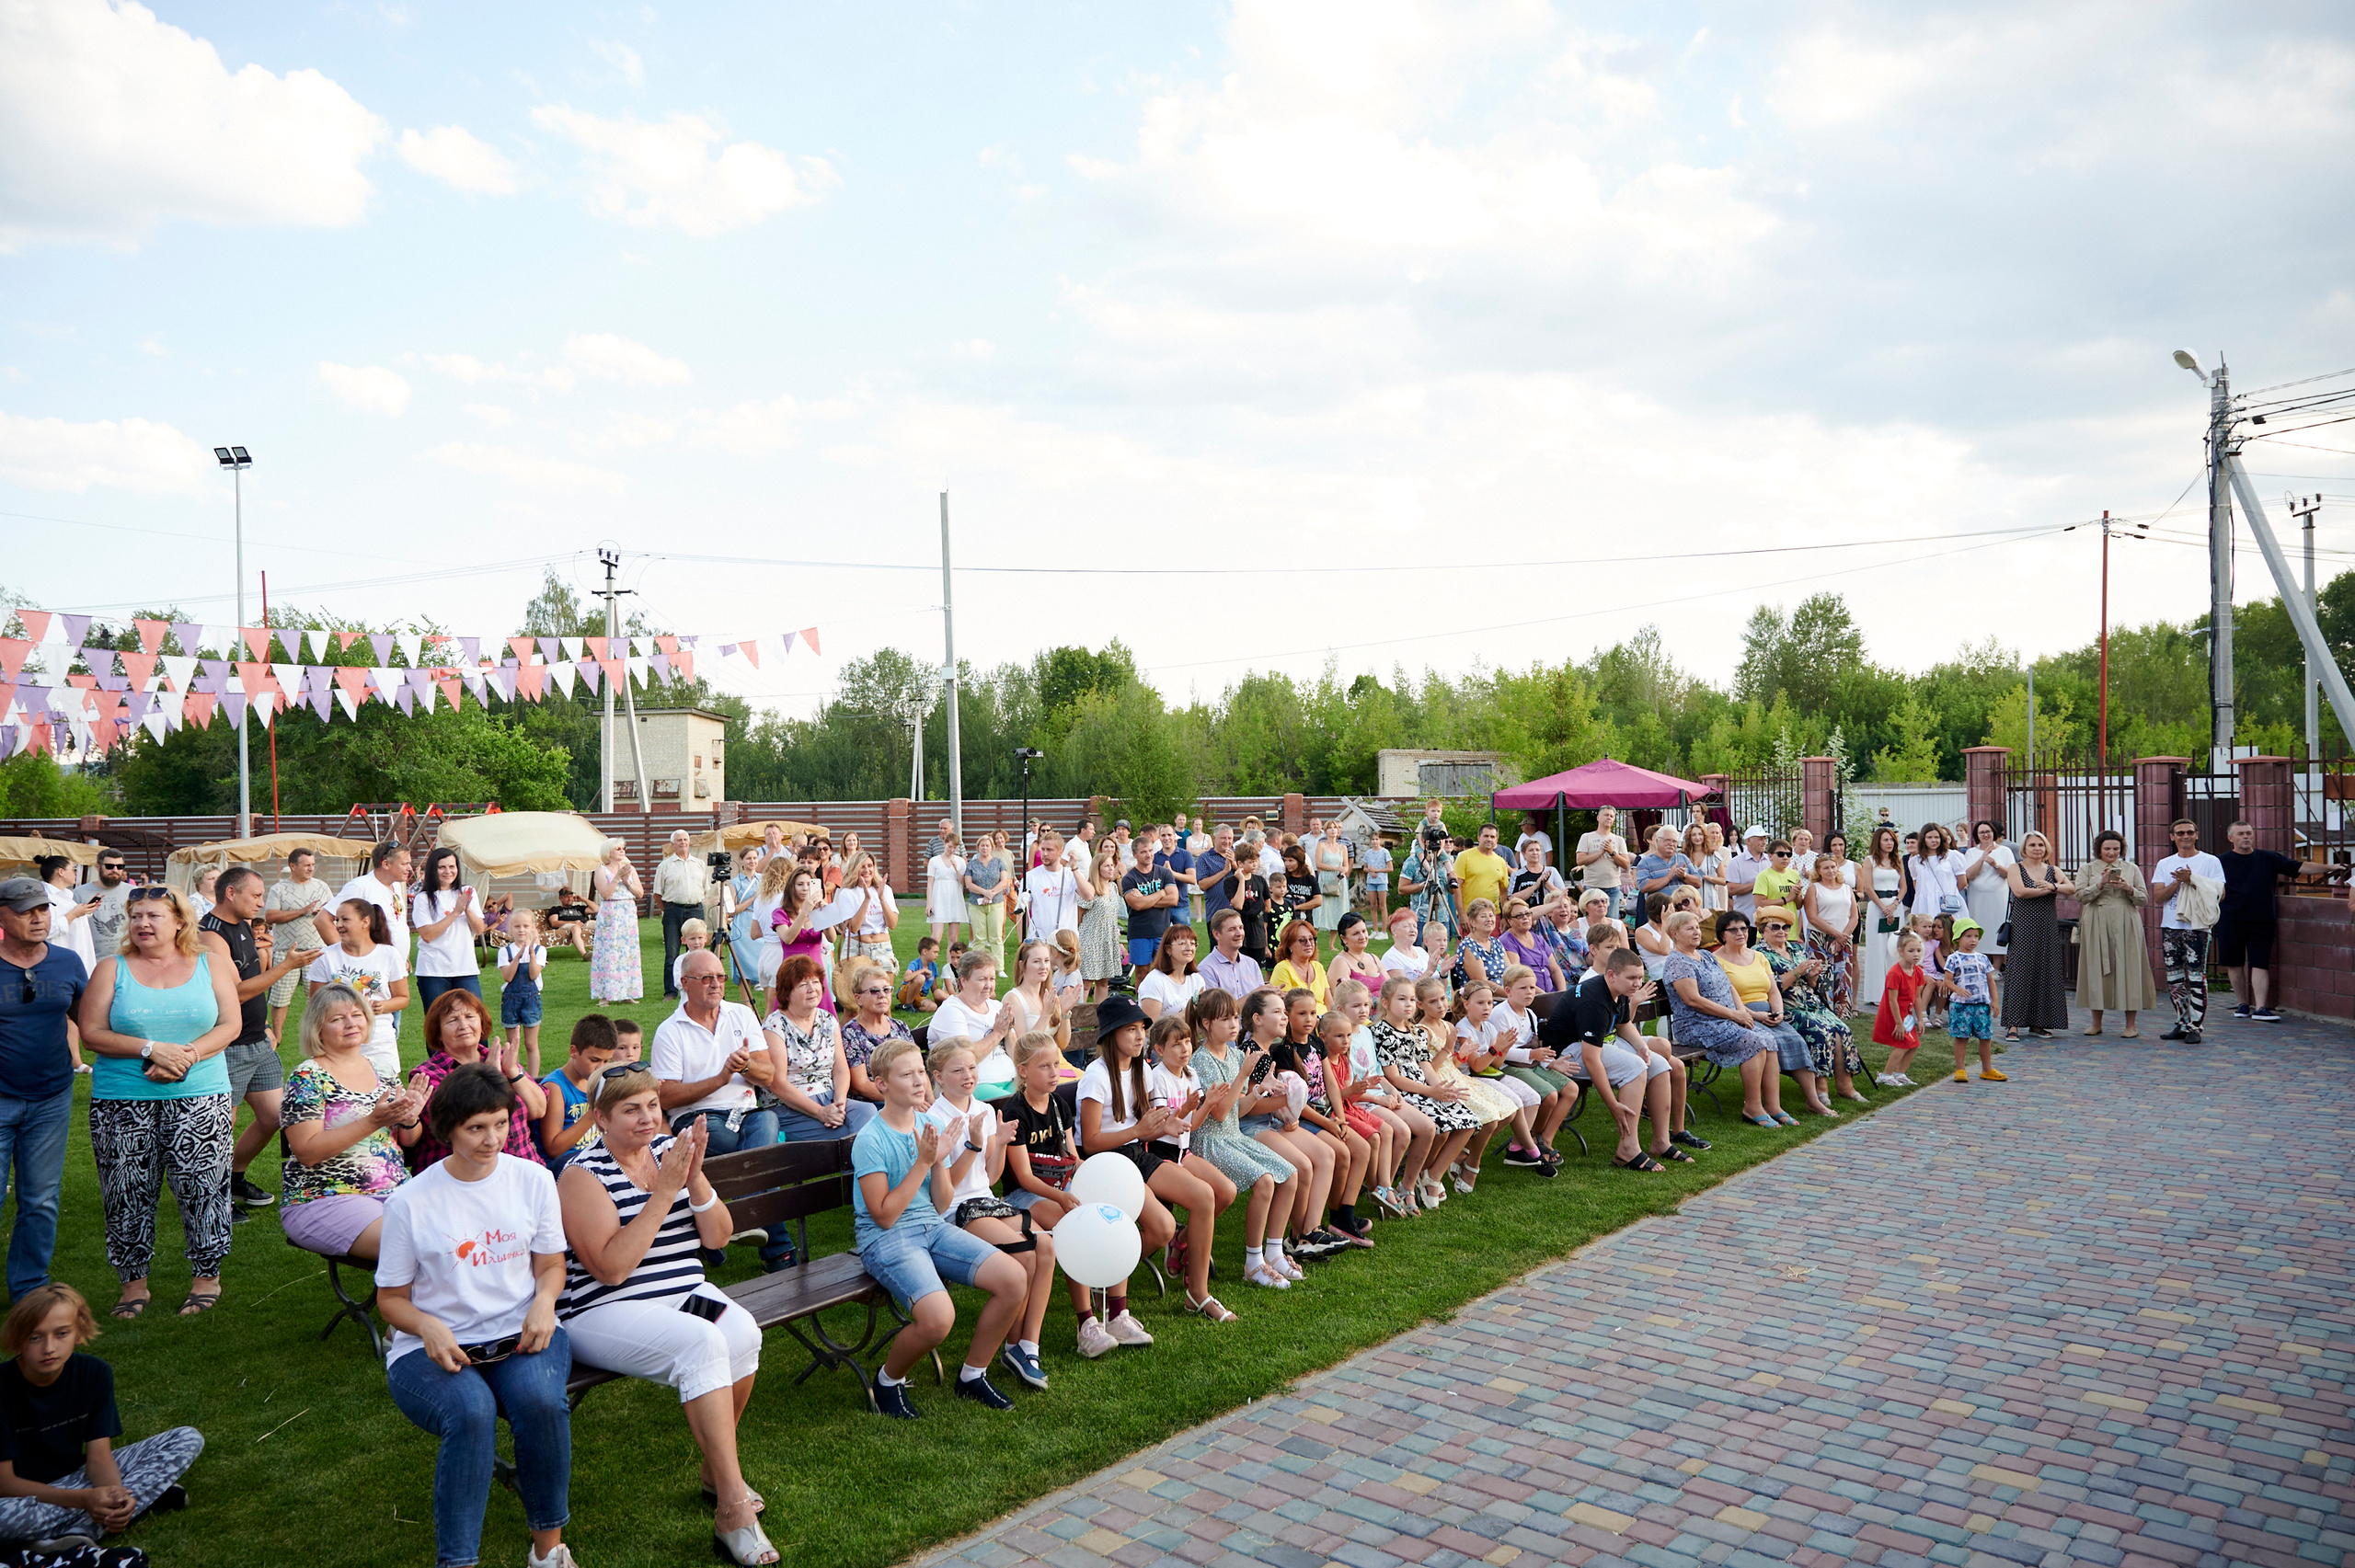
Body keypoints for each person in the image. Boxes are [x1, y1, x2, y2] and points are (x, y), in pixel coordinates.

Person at [557, 1069, 775, 1564]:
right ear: (601, 1118)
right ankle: (733, 1507)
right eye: (630, 1110)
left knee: (742, 1331)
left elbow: (718, 1236)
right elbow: (611, 1270)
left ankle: (714, 1470)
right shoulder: (581, 1175)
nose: (647, 1118)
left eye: (652, 1106)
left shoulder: (668, 1153)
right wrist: (664, 1192)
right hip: (605, 1310)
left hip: (681, 1294)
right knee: (703, 1344)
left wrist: (692, 1175)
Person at [376, 1062, 578, 1568]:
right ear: (447, 1130)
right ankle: (458, 1562)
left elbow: (551, 1265)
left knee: (541, 1402)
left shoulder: (533, 1179)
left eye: (501, 1123)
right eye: (476, 1128)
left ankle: (548, 1550)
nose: (493, 1139)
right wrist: (426, 1326)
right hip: (434, 1347)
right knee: (471, 1412)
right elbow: (391, 1298)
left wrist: (544, 1303)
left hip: (522, 1333)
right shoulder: (409, 1201)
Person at [74, 885, 240, 1319]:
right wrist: (151, 1050)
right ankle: (133, 1286)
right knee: (126, 1191)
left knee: (203, 1187)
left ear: (180, 922)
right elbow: (91, 1034)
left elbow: (230, 1024)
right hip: (122, 1101)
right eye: (136, 916)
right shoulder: (111, 968)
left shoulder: (210, 963)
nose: (142, 924)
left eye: (154, 916)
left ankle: (207, 1278)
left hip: (200, 1094)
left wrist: (185, 1056)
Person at [854, 1037, 1033, 1416]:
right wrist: (925, 1161)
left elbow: (940, 1203)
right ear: (881, 1084)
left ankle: (973, 1375)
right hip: (887, 1239)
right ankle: (887, 1382)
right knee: (938, 1319)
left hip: (932, 1226)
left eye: (920, 1072)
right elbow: (883, 1216)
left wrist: (939, 1162)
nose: (919, 1081)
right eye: (907, 1075)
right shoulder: (870, 1139)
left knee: (1014, 1278)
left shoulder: (928, 1123)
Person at [925, 1038, 1079, 1393]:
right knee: (1026, 1252)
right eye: (958, 1070)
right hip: (955, 1210)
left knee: (1046, 1246)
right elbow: (943, 1192)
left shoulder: (982, 1109)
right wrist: (973, 1144)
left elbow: (991, 1177)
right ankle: (1011, 1347)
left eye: (972, 1068)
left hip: (985, 1201)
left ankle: (1028, 1346)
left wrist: (1003, 1142)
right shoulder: (935, 1119)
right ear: (939, 1077)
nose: (968, 1075)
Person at [0, 1283, 204, 1546]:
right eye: (35, 1337)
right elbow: (5, 1483)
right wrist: (85, 1500)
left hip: (78, 1477)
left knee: (187, 1438)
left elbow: (99, 1458)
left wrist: (115, 1495)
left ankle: (89, 1525)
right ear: (18, 1338)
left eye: (61, 1334)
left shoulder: (94, 1373)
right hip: (18, 1496)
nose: (49, 1347)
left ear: (79, 1332)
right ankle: (139, 1501)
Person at [1086, 999, 1228, 1322]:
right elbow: (1091, 1142)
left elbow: (1145, 1130)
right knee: (1163, 1228)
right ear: (1110, 1035)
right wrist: (1138, 1131)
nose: (1140, 1036)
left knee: (1204, 1195)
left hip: (1136, 1153)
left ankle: (1197, 1294)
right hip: (1107, 1161)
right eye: (1131, 1029)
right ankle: (1103, 1273)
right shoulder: (1097, 1075)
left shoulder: (1140, 1071)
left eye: (1142, 1029)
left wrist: (1167, 1126)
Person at [280, 982, 419, 1260]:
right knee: (414, 1246)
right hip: (327, 1196)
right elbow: (307, 1152)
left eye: (357, 1015)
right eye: (337, 1018)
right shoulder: (307, 1077)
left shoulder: (383, 1071)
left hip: (397, 1191)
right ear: (318, 1029)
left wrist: (409, 1120)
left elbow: (408, 1140)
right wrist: (372, 1121)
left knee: (458, 1234)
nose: (351, 1023)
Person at [199, 866, 310, 1214]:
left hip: (256, 1040)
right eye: (256, 895)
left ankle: (233, 1177)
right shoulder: (211, 934)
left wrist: (263, 1025)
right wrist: (285, 967)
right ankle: (214, 1198)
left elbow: (251, 980)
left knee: (275, 1116)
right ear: (231, 893)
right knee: (222, 1125)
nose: (261, 903)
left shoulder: (243, 925)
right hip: (228, 1045)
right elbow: (235, 992)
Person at [0, 877, 87, 1302]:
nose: (38, 919)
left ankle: (28, 1289)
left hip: (51, 1097)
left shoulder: (68, 962)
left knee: (40, 1200)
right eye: (25, 912)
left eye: (42, 909)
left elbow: (90, 1019)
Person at [1544, 947, 1682, 1172]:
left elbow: (1623, 1024)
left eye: (1640, 977)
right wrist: (1612, 1105)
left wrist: (1641, 1047)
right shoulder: (1594, 1001)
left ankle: (1661, 1141)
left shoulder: (1620, 990)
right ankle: (1628, 1149)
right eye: (1632, 978)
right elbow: (1590, 1058)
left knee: (1659, 1065)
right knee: (1635, 1067)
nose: (1638, 984)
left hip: (1592, 1045)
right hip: (1564, 1053)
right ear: (1611, 975)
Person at [1660, 910, 1787, 1127]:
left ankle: (1774, 1107)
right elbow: (1693, 1000)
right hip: (1697, 1025)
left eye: (1697, 927)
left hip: (1725, 1020)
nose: (1697, 932)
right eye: (1690, 929)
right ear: (1674, 934)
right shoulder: (1678, 962)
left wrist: (1742, 1013)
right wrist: (1733, 1015)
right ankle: (1753, 1107)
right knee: (1755, 1041)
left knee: (1769, 1040)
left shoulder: (1707, 955)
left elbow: (1729, 986)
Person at [402, 990, 550, 1175]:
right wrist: (492, 1077)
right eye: (452, 1020)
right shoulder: (429, 1075)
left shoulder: (502, 1059)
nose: (463, 1025)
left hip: (524, 1170)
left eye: (470, 1016)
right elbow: (464, 1123)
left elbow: (539, 1110)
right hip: (463, 1178)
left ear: (481, 1024)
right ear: (438, 1033)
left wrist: (513, 1072)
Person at [2215, 819, 2334, 1022]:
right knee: (2234, 964)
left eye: (2249, 833)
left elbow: (2299, 867)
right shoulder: (2219, 861)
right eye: (2241, 834)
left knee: (2260, 963)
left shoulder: (2267, 858)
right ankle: (2242, 1005)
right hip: (2230, 918)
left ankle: (2261, 1008)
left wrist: (2331, 866)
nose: (2246, 837)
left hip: (2262, 919)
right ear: (2230, 838)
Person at [1708, 911, 1817, 1121]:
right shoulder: (1715, 961)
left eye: (1743, 928)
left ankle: (1813, 1100)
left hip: (1769, 1012)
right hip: (1742, 1014)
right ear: (1722, 934)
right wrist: (1756, 1015)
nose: (1740, 933)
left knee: (1795, 1039)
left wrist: (1779, 1012)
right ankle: (1769, 1106)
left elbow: (1773, 990)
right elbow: (1725, 998)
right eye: (1733, 930)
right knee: (1768, 1042)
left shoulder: (1758, 957)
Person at [1757, 907, 1863, 1108]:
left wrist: (1813, 975)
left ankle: (1845, 1086)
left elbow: (1812, 985)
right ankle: (1820, 1089)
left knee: (1842, 1029)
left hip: (1812, 1004)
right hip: (1787, 1008)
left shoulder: (1796, 949)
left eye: (1786, 927)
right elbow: (1770, 987)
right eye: (1775, 927)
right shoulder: (1759, 954)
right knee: (1819, 1031)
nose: (1782, 931)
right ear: (1763, 930)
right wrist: (1797, 972)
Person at [764, 955, 878, 1144]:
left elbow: (840, 1069)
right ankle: (857, 1156)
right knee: (851, 1133)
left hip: (830, 1098)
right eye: (803, 985)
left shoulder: (827, 1019)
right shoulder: (775, 1026)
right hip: (791, 1106)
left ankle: (856, 1152)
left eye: (816, 982)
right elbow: (777, 1084)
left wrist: (839, 1103)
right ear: (787, 992)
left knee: (867, 1111)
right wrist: (820, 1112)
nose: (812, 989)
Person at [305, 898, 411, 1080]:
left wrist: (382, 1006)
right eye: (337, 920)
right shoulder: (326, 957)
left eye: (345, 919)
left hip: (379, 1041)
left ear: (365, 922)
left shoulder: (389, 954)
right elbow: (316, 1004)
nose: (338, 925)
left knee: (386, 1091)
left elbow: (403, 998)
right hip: (339, 1042)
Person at [2074, 829, 2156, 1037]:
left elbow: (2144, 899)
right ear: (2099, 849)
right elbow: (2080, 896)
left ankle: (2131, 1025)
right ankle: (2096, 1023)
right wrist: (2099, 884)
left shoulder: (2131, 869)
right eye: (2107, 849)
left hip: (2126, 920)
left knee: (2129, 968)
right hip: (2096, 919)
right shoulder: (2087, 869)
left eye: (2116, 849)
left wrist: (2128, 888)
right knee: (2096, 969)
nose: (2112, 853)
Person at [2152, 818, 2225, 1044]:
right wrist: (2178, 882)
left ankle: (2195, 1026)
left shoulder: (2210, 861)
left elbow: (2220, 894)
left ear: (2196, 834)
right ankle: (2182, 1023)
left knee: (2196, 977)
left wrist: (2192, 879)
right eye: (2180, 833)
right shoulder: (2165, 863)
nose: (2185, 836)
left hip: (2198, 927)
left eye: (2190, 832)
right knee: (2174, 979)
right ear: (2172, 837)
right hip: (2170, 926)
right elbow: (2158, 897)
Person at [263, 846, 334, 1043]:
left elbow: (334, 911)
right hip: (287, 951)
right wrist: (302, 911)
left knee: (319, 997)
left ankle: (321, 1034)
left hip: (316, 950)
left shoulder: (322, 886)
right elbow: (270, 916)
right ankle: (277, 1036)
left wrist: (323, 912)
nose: (311, 869)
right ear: (293, 866)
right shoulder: (279, 889)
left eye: (313, 865)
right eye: (306, 865)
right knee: (280, 998)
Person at [536, 1014, 619, 1173]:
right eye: (594, 1060)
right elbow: (554, 1149)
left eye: (606, 1061)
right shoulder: (555, 1088)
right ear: (573, 1051)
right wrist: (593, 1114)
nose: (601, 1067)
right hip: (567, 1167)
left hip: (596, 1158)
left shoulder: (599, 1080)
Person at [410, 847, 488, 1016]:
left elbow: (480, 929)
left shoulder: (467, 892)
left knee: (474, 1017)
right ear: (433, 869)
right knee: (438, 1021)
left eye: (452, 867)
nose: (448, 871)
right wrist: (455, 912)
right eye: (442, 867)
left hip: (465, 969)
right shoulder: (423, 898)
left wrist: (467, 909)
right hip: (433, 971)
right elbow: (427, 935)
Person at [1941, 919, 2005, 1082]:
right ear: (1958, 938)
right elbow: (1947, 980)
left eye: (1976, 936)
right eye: (1968, 936)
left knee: (1985, 1037)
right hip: (1961, 1006)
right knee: (1961, 1037)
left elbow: (1990, 980)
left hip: (1981, 1005)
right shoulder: (1953, 958)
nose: (1973, 940)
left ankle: (1987, 1069)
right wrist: (1957, 989)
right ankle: (1960, 1069)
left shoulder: (1983, 958)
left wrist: (1995, 1001)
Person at [840, 965, 913, 1104]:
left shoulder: (900, 1026)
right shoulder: (851, 1033)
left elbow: (919, 1069)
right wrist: (902, 1098)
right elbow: (861, 1086)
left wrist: (928, 1098)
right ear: (858, 999)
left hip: (908, 1097)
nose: (882, 995)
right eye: (874, 991)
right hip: (875, 1104)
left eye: (886, 990)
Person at [1799, 848, 1859, 1017]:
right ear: (1818, 871)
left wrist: (1843, 937)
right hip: (1820, 939)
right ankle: (1821, 1013)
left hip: (1844, 938)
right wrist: (1836, 934)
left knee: (1842, 977)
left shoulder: (1846, 888)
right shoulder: (1814, 888)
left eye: (1833, 867)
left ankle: (1841, 1014)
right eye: (1826, 868)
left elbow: (1854, 916)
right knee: (1821, 977)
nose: (1830, 870)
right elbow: (1812, 917)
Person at [652, 830, 709, 1001]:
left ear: (689, 842)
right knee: (672, 953)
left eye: (685, 839)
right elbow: (657, 894)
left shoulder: (699, 864)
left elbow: (704, 889)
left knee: (697, 951)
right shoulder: (665, 866)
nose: (683, 842)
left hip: (695, 910)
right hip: (673, 911)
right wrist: (668, 911)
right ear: (673, 844)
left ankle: (699, 986)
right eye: (679, 840)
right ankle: (670, 991)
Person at [1873, 931, 1931, 1085]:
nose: (1916, 954)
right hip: (1894, 1014)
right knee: (1903, 1044)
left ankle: (1899, 1073)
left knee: (1914, 1044)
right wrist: (1898, 1023)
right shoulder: (1895, 973)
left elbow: (1917, 997)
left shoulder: (1918, 971)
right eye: (1911, 951)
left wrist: (1920, 1019)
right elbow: (1892, 1000)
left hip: (1907, 1015)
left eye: (1918, 950)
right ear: (1900, 951)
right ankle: (1885, 1075)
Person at [1119, 837, 1179, 984]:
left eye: (1151, 851)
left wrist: (1145, 900)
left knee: (1165, 971)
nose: (1149, 855)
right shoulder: (1129, 878)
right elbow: (1137, 905)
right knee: (1142, 973)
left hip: (1162, 931)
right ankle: (1141, 999)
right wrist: (1161, 893)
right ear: (1135, 854)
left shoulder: (1164, 873)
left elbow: (1173, 899)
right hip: (1139, 933)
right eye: (1144, 852)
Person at [590, 841, 644, 1007]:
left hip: (628, 913)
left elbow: (640, 894)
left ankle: (627, 992)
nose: (622, 851)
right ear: (608, 852)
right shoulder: (601, 870)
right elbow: (605, 894)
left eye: (623, 848)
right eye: (618, 848)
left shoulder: (630, 869)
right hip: (611, 913)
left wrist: (627, 881)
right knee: (609, 952)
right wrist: (617, 877)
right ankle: (605, 995)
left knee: (628, 952)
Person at [1956, 822, 2016, 970]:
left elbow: (2010, 874)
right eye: (1982, 832)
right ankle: (1982, 964)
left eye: (1988, 831)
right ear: (1977, 835)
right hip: (1977, 898)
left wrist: (1995, 864)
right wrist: (1982, 859)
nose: (1986, 835)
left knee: (1996, 927)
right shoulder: (1971, 853)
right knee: (1980, 927)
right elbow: (1969, 875)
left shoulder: (2005, 851)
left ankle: (1997, 966)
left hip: (1998, 897)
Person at [1859, 826, 1908, 1007]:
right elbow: (1868, 887)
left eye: (1891, 840)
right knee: (1877, 950)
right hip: (1877, 906)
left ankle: (1895, 990)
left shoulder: (1898, 860)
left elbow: (1904, 886)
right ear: (1878, 841)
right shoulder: (1870, 861)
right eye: (1885, 840)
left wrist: (1894, 905)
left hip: (1895, 905)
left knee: (1894, 947)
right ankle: (1876, 993)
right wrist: (1884, 908)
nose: (1889, 843)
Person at [500, 910, 550, 1075]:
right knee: (513, 1044)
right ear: (511, 929)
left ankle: (534, 1079)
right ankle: (516, 1077)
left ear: (533, 927)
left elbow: (533, 974)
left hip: (531, 1000)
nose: (521, 930)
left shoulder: (540, 950)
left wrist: (531, 955)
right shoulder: (505, 951)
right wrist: (517, 957)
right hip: (511, 1000)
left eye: (526, 926)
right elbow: (508, 977)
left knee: (531, 1043)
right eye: (517, 926)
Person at [73, 853, 134, 973]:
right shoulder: (79, 893)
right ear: (98, 867)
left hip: (128, 960)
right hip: (92, 962)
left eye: (120, 867)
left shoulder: (133, 892)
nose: (115, 870)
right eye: (109, 866)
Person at [722, 850, 764, 1010]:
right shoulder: (735, 882)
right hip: (742, 925)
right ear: (741, 860)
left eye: (754, 858)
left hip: (760, 923)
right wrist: (753, 898)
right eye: (748, 858)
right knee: (743, 968)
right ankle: (748, 1007)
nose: (752, 861)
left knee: (765, 965)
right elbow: (732, 909)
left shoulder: (763, 879)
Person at [1630, 826, 1697, 927]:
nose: (1671, 844)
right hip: (1660, 915)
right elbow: (1643, 887)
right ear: (1657, 841)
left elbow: (1698, 882)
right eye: (1667, 840)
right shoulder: (1645, 862)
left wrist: (1684, 876)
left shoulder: (1683, 859)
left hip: (1683, 912)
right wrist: (1668, 878)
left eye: (1674, 841)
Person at [1451, 825, 1513, 932]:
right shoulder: (1465, 857)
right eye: (1486, 836)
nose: (1489, 839)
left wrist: (1504, 917)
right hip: (1470, 915)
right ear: (1479, 838)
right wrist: (1462, 914)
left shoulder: (1501, 861)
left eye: (1492, 837)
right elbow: (1457, 888)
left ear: (1497, 840)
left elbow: (1503, 892)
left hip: (1493, 916)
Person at [1495, 898, 1565, 991]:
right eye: (1519, 916)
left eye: (1527, 914)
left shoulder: (1538, 939)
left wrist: (1562, 993)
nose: (1525, 918)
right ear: (1509, 921)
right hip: (1530, 994)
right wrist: (1543, 995)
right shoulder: (1506, 941)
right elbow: (1517, 975)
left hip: (1552, 993)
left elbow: (1555, 970)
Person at [1574, 807, 1633, 918]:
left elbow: (1626, 865)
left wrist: (1612, 852)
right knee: (1592, 920)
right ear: (1598, 817)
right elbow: (1580, 860)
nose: (1609, 818)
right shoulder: (1587, 837)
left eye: (1611, 816)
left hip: (1613, 887)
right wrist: (1600, 852)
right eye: (1606, 815)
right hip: (1592, 886)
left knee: (1611, 922)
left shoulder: (1619, 840)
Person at [1137, 926, 1203, 1023]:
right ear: (1168, 949)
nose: (1189, 948)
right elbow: (1149, 1028)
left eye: (1192, 943)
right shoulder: (1154, 981)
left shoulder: (1197, 980)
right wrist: (1185, 1014)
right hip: (1161, 1033)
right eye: (1182, 943)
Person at [1023, 832, 1080, 943]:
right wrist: (1022, 941)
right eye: (1043, 849)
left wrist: (1074, 868)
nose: (1045, 854)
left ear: (1060, 851)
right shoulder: (1030, 877)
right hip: (1039, 939)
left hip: (1066, 940)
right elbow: (1023, 911)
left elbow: (1089, 896)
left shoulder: (1071, 874)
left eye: (1049, 850)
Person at [963, 833, 1009, 964]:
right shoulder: (972, 864)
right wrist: (984, 892)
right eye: (982, 846)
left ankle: (999, 967)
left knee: (996, 937)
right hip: (976, 904)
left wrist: (991, 894)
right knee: (979, 938)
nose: (985, 848)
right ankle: (978, 965)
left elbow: (1004, 881)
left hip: (996, 903)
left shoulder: (999, 863)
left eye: (987, 846)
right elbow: (969, 884)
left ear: (992, 847)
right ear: (978, 847)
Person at [1198, 909, 1264, 1001]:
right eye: (1232, 929)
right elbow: (1216, 1008)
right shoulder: (1206, 969)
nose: (1239, 933)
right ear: (1217, 934)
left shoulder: (1252, 964)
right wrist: (1254, 994)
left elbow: (1262, 1002)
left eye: (1241, 928)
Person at [1907, 823, 1965, 921]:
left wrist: (1948, 893)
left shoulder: (1952, 856)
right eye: (1929, 837)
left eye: (1936, 837)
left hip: (1947, 903)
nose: (1934, 840)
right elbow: (1916, 884)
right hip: (1924, 903)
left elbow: (1962, 882)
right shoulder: (1915, 861)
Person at [1268, 920, 1329, 1011]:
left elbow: (1330, 1003)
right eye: (1302, 940)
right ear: (1289, 945)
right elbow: (1285, 1009)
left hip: (1325, 1018)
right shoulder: (1283, 968)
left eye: (1311, 939)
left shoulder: (1318, 967)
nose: (1309, 944)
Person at [925, 829, 968, 956]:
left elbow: (963, 882)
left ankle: (951, 965)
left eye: (955, 847)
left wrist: (956, 869)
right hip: (939, 898)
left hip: (954, 899)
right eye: (950, 847)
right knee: (935, 937)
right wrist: (929, 903)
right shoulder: (934, 861)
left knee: (953, 938)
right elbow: (930, 883)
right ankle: (928, 962)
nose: (952, 850)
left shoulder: (960, 861)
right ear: (945, 844)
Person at [1326, 911, 1385, 997]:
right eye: (1356, 934)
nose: (1362, 937)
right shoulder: (1340, 963)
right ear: (1343, 938)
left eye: (1364, 931)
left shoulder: (1373, 958)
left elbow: (1392, 987)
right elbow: (1343, 999)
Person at [1724, 826, 1771, 919]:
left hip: (1768, 917)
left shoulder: (1770, 861)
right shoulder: (1736, 863)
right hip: (1745, 917)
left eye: (1765, 839)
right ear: (1749, 841)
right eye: (1760, 839)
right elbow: (1731, 889)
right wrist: (1758, 884)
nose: (1764, 842)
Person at [1312, 828, 1350, 934]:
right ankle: (1314, 938)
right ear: (1326, 831)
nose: (1333, 830)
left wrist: (1343, 870)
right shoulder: (1321, 845)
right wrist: (1336, 868)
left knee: (1337, 910)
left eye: (1335, 828)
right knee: (1321, 909)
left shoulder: (1343, 847)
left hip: (1338, 881)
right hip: (1325, 879)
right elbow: (1318, 864)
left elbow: (1346, 865)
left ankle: (1332, 942)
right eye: (1330, 828)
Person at [1508, 840, 1565, 910]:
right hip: (1526, 913)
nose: (1535, 853)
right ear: (1524, 854)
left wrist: (1547, 884)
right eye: (1531, 850)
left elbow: (1563, 895)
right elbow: (1511, 898)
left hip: (1548, 913)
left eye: (1537, 850)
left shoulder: (1552, 871)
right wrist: (1534, 887)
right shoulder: (1517, 875)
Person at [897, 935, 942, 1013]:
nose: (937, 955)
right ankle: (907, 1005)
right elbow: (906, 978)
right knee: (921, 978)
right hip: (906, 993)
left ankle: (907, 1008)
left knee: (933, 1007)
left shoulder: (933, 966)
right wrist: (923, 970)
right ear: (925, 951)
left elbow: (934, 988)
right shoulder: (915, 964)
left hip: (920, 996)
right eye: (935, 952)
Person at [546, 887, 593, 959]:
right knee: (576, 928)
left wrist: (583, 899)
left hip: (583, 924)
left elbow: (597, 909)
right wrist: (574, 923)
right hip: (567, 926)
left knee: (599, 924)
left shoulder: (579, 908)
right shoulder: (556, 909)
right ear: (560, 898)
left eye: (571, 896)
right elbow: (554, 923)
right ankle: (585, 954)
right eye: (567, 897)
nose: (570, 899)